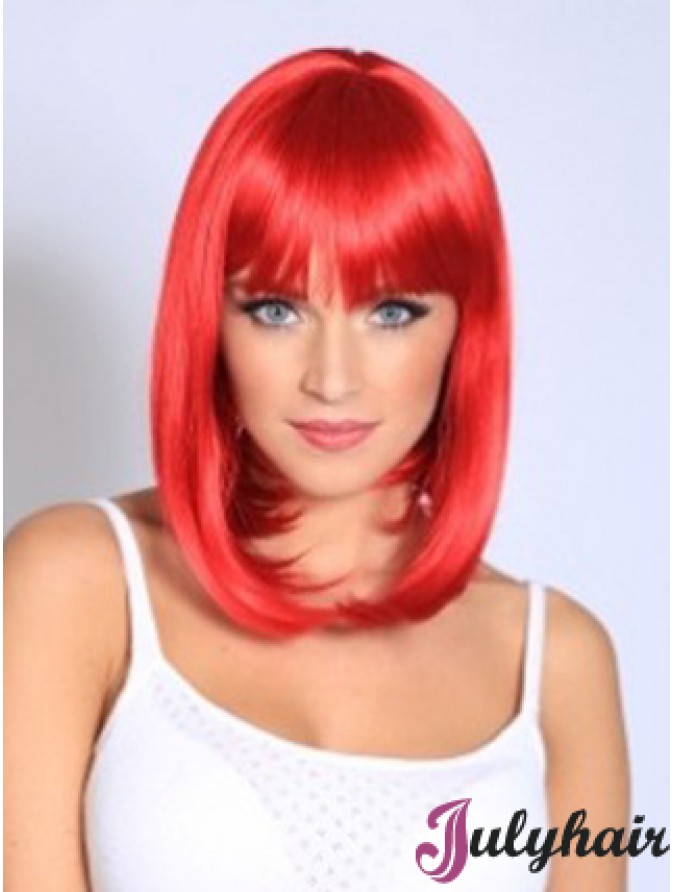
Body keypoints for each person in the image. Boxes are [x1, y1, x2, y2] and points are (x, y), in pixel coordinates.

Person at [4, 47, 630, 890]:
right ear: (210, 317)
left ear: (464, 326)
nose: (331, 379)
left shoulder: (557, 664)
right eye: (276, 308)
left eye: (391, 310)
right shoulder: (77, 580)